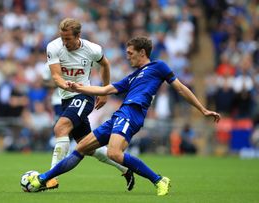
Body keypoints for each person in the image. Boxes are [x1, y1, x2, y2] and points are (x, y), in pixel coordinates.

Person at [29, 36, 221, 195]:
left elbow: (180, 89)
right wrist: (79, 87)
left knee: (114, 153)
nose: (127, 57)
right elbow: (106, 89)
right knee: (81, 147)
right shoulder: (133, 76)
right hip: (120, 114)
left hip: (133, 112)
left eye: (130, 53)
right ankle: (43, 178)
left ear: (142, 53)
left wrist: (202, 109)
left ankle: (159, 179)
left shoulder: (159, 67)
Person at [44, 18, 134, 190]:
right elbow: (56, 76)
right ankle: (125, 168)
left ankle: (49, 178)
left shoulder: (92, 49)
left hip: (85, 95)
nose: (64, 42)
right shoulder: (53, 47)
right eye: (62, 38)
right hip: (66, 97)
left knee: (60, 128)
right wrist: (65, 85)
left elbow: (105, 65)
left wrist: (105, 91)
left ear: (78, 36)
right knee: (88, 146)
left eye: (68, 39)